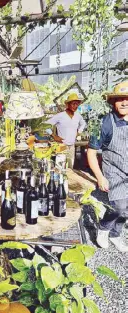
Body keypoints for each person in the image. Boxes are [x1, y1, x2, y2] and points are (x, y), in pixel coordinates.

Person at [87, 81, 128, 252]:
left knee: (127, 210)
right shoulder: (102, 123)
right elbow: (90, 152)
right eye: (120, 99)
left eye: (127, 99)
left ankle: (116, 234)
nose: (124, 102)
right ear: (112, 102)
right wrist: (100, 176)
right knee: (119, 206)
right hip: (113, 172)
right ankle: (103, 228)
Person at [47, 93, 86, 168]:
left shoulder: (78, 116)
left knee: (70, 168)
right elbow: (45, 125)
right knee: (60, 168)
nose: (75, 106)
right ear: (68, 104)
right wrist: (54, 136)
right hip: (62, 146)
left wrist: (79, 132)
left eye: (77, 104)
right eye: (73, 104)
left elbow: (83, 123)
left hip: (72, 146)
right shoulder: (60, 116)